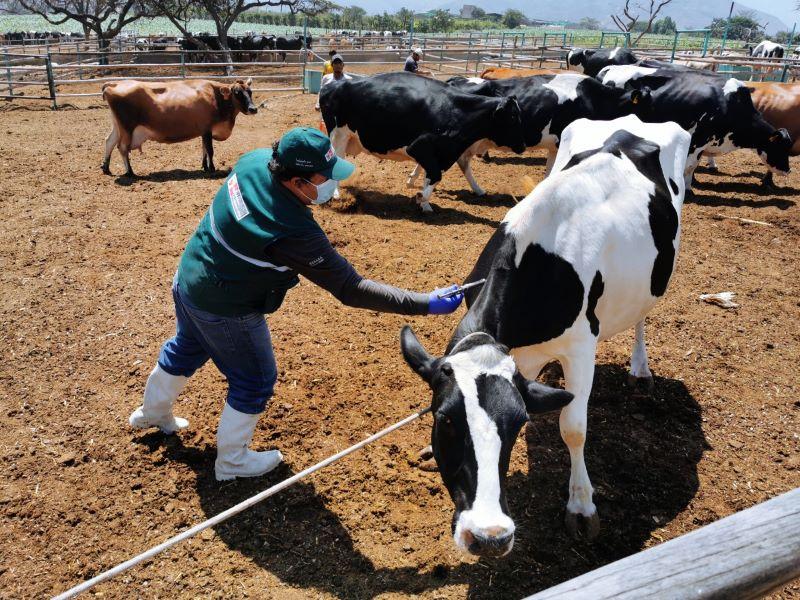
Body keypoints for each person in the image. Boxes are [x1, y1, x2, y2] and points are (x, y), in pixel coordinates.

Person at [129, 127, 464, 481]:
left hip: (191, 275)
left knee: (187, 345)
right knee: (255, 379)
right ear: (298, 181)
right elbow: (351, 288)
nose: (333, 185)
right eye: (325, 178)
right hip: (226, 304)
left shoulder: (255, 161)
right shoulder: (291, 231)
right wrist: (425, 303)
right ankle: (232, 461)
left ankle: (152, 413)